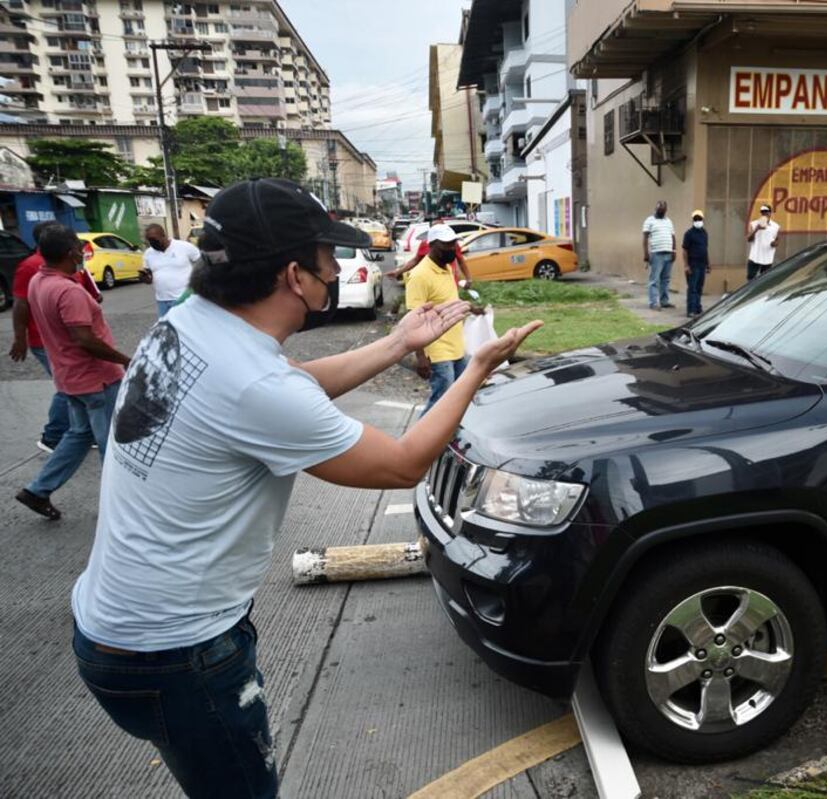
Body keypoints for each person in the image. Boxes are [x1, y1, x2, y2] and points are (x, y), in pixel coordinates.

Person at [69, 178, 540, 799]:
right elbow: (401, 465)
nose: (336, 273)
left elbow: (293, 384)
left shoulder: (189, 326)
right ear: (295, 276)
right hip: (178, 654)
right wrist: (476, 369)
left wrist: (398, 342)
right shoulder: (251, 384)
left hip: (115, 630)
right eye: (328, 262)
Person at [15, 225, 129, 520]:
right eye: (79, 248)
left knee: (80, 434)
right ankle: (120, 508)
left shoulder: (39, 281)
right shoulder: (67, 290)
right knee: (111, 443)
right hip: (96, 379)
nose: (82, 253)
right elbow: (85, 339)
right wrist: (125, 360)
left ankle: (38, 490)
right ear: (69, 252)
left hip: (70, 378)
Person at [9, 220, 103, 452]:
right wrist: (20, 338)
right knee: (69, 388)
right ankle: (53, 436)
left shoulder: (69, 264)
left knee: (76, 388)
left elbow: (88, 290)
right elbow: (21, 304)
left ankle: (82, 431)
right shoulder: (32, 267)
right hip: (47, 340)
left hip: (72, 336)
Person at [407, 223, 486, 415]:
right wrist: (420, 356)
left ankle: (451, 435)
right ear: (432, 245)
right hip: (437, 351)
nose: (452, 249)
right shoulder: (419, 275)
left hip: (455, 345)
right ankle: (420, 441)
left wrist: (471, 308)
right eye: (446, 245)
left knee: (461, 396)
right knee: (441, 401)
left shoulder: (447, 269)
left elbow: (451, 300)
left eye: (453, 245)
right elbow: (412, 320)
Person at [141, 223, 202, 317]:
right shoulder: (148, 254)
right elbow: (149, 278)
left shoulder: (184, 247)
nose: (152, 243)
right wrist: (145, 278)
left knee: (185, 328)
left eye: (154, 240)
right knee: (166, 330)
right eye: (149, 241)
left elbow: (202, 263)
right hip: (162, 301)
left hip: (183, 298)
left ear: (163, 235)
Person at [387, 221, 473, 287]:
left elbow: (461, 261)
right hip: (430, 284)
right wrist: (399, 272)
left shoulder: (453, 245)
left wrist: (468, 279)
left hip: (449, 283)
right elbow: (415, 260)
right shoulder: (425, 244)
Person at [642, 200, 676, 309]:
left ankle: (664, 301)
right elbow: (645, 238)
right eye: (659, 209)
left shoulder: (669, 221)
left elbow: (673, 236)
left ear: (666, 210)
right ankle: (653, 303)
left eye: (663, 209)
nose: (661, 211)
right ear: (656, 209)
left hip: (668, 253)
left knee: (665, 279)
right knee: (655, 279)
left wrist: (674, 251)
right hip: (656, 253)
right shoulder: (649, 220)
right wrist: (646, 253)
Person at [681, 209, 710, 318]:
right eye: (696, 219)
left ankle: (698, 308)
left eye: (700, 219)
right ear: (693, 220)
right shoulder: (689, 234)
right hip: (693, 264)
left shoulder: (704, 233)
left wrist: (708, 264)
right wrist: (686, 265)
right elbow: (684, 250)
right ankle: (691, 310)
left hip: (702, 264)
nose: (698, 221)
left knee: (699, 287)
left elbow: (705, 249)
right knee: (692, 288)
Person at [746, 203, 780, 281]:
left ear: (770, 213)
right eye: (763, 212)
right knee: (750, 280)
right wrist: (756, 229)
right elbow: (749, 239)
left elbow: (777, 240)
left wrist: (774, 243)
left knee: (765, 281)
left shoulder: (775, 226)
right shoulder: (754, 224)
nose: (764, 214)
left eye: (766, 212)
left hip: (767, 259)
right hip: (755, 258)